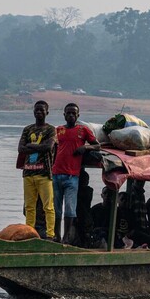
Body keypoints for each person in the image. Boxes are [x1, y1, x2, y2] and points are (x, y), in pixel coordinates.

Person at [52, 103, 100, 243]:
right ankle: (56, 235)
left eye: (74, 113)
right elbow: (53, 146)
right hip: (56, 173)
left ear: (78, 115)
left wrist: (85, 147)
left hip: (72, 176)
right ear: (64, 115)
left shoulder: (83, 130)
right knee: (56, 208)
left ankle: (66, 237)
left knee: (69, 208)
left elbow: (97, 145)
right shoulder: (59, 130)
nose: (71, 115)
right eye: (68, 113)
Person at [18, 100, 56, 240]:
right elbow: (20, 149)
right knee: (29, 207)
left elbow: (48, 147)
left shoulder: (51, 129)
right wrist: (37, 146)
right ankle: (29, 233)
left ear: (47, 112)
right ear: (33, 112)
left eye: (42, 110)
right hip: (28, 173)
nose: (39, 112)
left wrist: (30, 145)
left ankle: (50, 235)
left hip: (44, 174)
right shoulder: (27, 129)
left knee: (48, 207)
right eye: (36, 110)